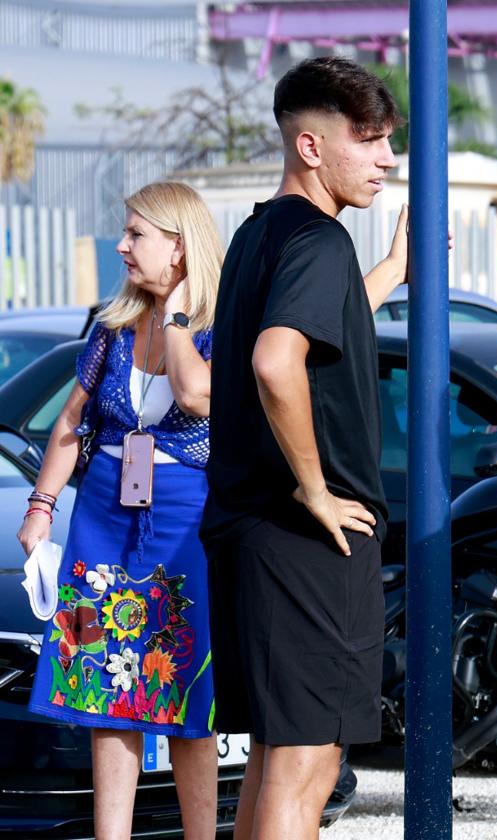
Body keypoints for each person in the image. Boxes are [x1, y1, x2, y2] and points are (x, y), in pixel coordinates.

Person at [201, 56, 408, 840]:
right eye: (370, 140)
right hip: (307, 541)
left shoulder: (261, 233)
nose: (386, 158)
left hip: (252, 535)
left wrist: (391, 269)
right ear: (312, 147)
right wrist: (316, 488)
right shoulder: (318, 241)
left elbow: (318, 329)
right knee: (309, 765)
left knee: (277, 758)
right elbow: (274, 360)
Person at [20, 180, 224, 839]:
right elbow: (70, 425)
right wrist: (43, 506)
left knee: (187, 698)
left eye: (137, 234)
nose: (121, 245)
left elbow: (204, 403)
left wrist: (177, 318)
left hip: (186, 521)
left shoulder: (221, 330)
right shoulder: (110, 329)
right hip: (101, 520)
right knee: (102, 694)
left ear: (180, 247)